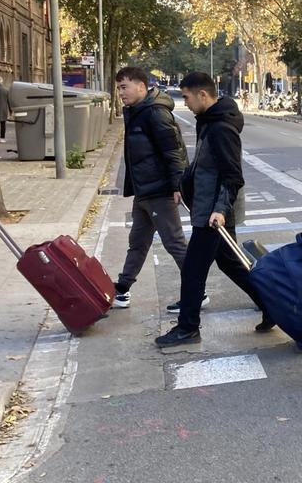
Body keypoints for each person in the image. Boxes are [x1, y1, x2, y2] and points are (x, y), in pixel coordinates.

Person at [154, 73, 272, 349]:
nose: (184, 101)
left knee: (193, 270)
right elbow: (206, 167)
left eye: (186, 96)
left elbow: (232, 176)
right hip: (209, 208)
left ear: (203, 95)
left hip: (213, 213)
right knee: (231, 263)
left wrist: (219, 210)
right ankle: (273, 306)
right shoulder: (208, 123)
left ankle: (188, 328)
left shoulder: (221, 128)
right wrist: (185, 183)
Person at [110, 67, 201, 312]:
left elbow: (174, 152)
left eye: (124, 87)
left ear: (141, 86)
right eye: (118, 88)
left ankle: (198, 293)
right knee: (137, 242)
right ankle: (123, 289)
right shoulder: (136, 111)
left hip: (160, 191)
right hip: (144, 191)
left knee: (174, 243)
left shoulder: (155, 113)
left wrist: (177, 185)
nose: (120, 93)